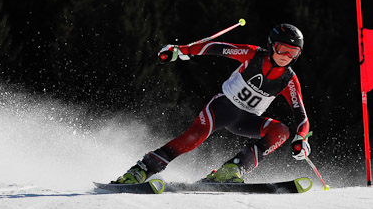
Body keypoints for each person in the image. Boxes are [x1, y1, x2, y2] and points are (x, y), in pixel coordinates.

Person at [114, 23, 311, 184]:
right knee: (193, 138)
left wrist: (301, 138)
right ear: (271, 46)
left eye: (293, 53)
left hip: (247, 120)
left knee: (282, 132)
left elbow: (301, 116)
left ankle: (232, 169)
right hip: (222, 107)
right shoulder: (253, 55)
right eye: (282, 49)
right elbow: (215, 47)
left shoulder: (289, 81)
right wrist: (182, 51)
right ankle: (140, 171)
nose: (286, 56)